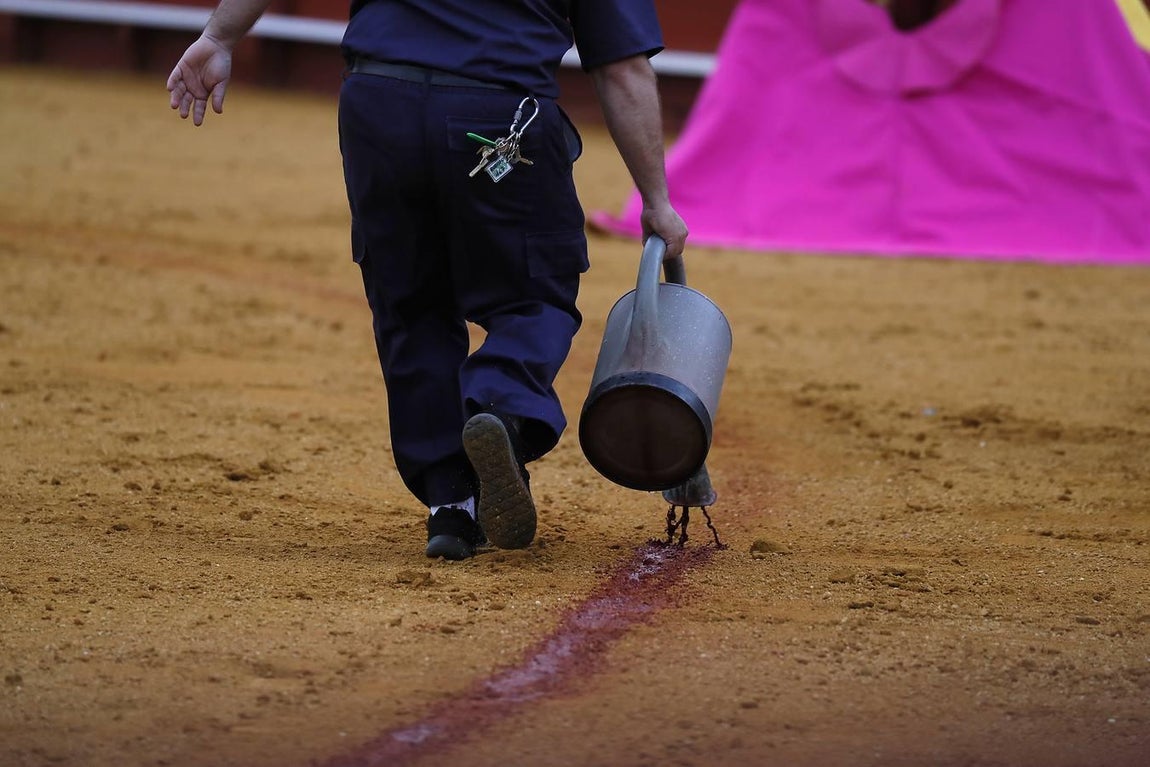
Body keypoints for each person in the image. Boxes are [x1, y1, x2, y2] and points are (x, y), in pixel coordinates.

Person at [167, 0, 689, 561]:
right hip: (497, 116)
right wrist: (656, 200)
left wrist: (220, 36)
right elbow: (622, 68)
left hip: (377, 104)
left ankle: (452, 504)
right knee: (534, 297)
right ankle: (500, 406)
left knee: (410, 303)